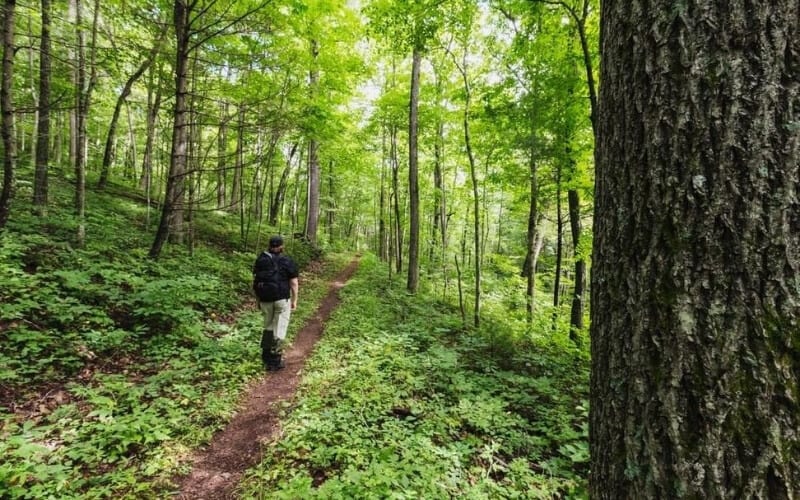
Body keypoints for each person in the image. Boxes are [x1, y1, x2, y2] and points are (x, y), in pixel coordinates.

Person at [252, 235, 299, 371]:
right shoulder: (287, 261)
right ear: (281, 246)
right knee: (279, 328)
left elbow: (255, 282)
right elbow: (294, 283)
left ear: (269, 245)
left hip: (265, 299)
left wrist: (258, 300)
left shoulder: (261, 259)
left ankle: (266, 356)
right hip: (281, 299)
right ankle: (275, 360)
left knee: (268, 326)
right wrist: (294, 300)